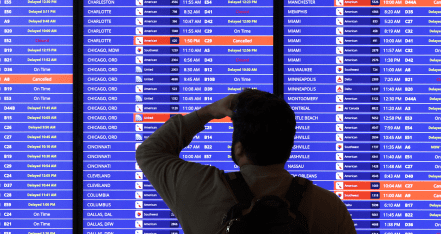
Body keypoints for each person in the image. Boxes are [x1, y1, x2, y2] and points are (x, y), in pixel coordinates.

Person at [136, 89, 357, 234]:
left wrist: (208, 112)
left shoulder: (198, 188)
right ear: (288, 148)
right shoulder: (330, 208)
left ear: (239, 148)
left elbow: (150, 152)